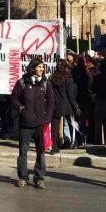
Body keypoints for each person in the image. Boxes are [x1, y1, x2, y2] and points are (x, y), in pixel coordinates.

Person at [11, 58, 53, 189]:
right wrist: (21, 109)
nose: (42, 69)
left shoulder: (46, 83)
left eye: (42, 67)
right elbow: (13, 97)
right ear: (33, 68)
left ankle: (39, 178)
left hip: (41, 124)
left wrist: (48, 117)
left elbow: (51, 101)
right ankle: (23, 177)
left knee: (41, 152)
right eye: (39, 67)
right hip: (25, 124)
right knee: (23, 152)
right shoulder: (22, 82)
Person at [49, 58, 78, 155]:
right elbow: (70, 95)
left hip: (54, 104)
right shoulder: (68, 79)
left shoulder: (52, 78)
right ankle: (72, 142)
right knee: (71, 124)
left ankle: (54, 146)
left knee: (54, 126)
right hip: (66, 105)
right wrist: (75, 107)